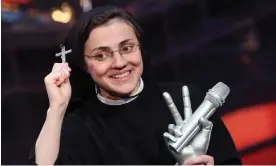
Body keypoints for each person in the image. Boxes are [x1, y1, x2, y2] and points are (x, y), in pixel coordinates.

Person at [29, 5, 242, 165]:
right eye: (101, 55)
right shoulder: (77, 127)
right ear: (84, 65)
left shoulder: (189, 100)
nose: (120, 63)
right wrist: (56, 108)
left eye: (127, 48)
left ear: (140, 48)